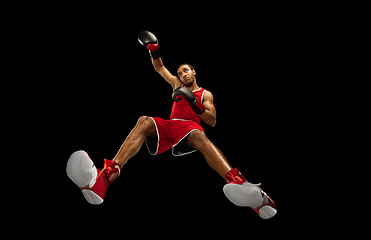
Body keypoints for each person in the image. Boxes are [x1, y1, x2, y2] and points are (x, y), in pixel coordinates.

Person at [66, 31, 277, 219]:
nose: (183, 75)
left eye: (186, 71)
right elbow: (159, 67)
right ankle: (104, 179)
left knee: (200, 137)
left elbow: (212, 120)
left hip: (190, 129)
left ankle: (244, 186)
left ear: (194, 72)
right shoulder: (176, 84)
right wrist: (154, 49)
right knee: (144, 121)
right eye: (180, 73)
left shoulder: (205, 93)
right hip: (170, 127)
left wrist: (194, 103)